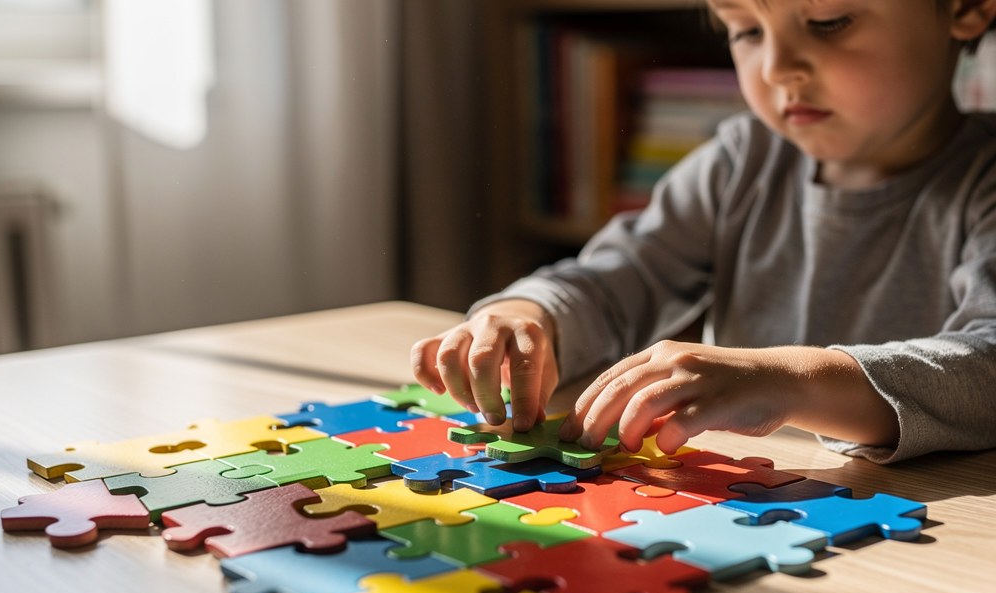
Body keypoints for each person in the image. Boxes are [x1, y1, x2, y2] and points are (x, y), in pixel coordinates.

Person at [411, 0, 996, 464]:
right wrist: (531, 314)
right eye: (744, 30)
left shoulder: (983, 179)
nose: (775, 68)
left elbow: (987, 363)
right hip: (737, 506)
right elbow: (624, 276)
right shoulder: (741, 160)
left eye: (829, 21)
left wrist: (791, 381)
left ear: (966, 6)